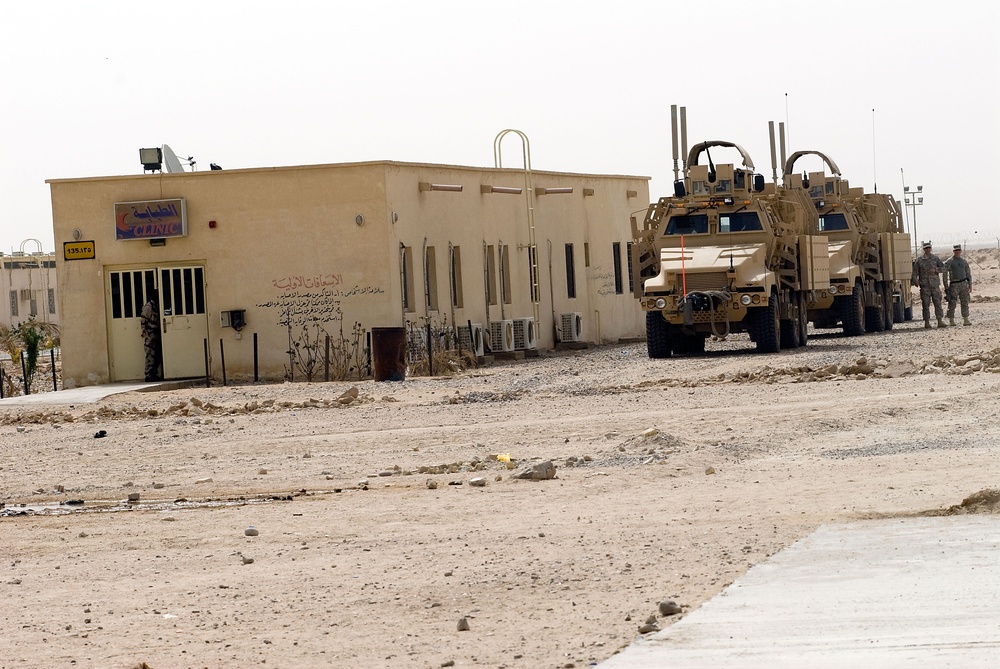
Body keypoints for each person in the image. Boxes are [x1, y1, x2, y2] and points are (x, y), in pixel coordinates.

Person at [910, 241, 947, 329]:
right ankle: (927, 322)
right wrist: (915, 281)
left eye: (929, 248)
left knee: (937, 303)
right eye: (926, 248)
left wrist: (936, 270)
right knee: (925, 304)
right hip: (925, 286)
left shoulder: (935, 258)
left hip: (934, 285)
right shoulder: (919, 260)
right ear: (923, 249)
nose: (928, 250)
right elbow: (914, 272)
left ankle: (939, 320)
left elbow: (944, 268)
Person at [945, 244, 973, 326]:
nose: (957, 252)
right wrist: (946, 286)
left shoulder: (964, 261)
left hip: (963, 283)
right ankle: (951, 320)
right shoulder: (949, 261)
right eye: (956, 250)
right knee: (952, 302)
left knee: (965, 302)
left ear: (960, 251)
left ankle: (966, 319)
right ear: (953, 251)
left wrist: (970, 285)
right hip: (954, 284)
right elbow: (944, 274)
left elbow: (968, 273)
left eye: (959, 250)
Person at [140, 290, 162, 381]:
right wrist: (144, 331)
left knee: (157, 354)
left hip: (156, 332)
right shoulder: (148, 307)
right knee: (150, 354)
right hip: (150, 333)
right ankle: (149, 374)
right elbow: (143, 320)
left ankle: (154, 373)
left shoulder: (157, 305)